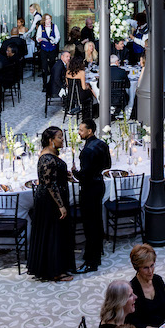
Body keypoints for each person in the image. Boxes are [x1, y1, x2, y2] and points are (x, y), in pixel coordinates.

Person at [27, 126, 74, 282]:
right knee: (53, 234)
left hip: (52, 198)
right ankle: (55, 272)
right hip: (50, 201)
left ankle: (54, 268)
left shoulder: (51, 154)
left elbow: (53, 177)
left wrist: (64, 175)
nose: (62, 140)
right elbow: (49, 184)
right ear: (50, 140)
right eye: (59, 137)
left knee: (55, 234)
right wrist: (61, 205)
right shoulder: (47, 158)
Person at [73, 116, 110, 273]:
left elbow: (84, 176)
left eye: (81, 130)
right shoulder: (102, 144)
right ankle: (96, 253)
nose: (79, 133)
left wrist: (74, 172)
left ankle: (91, 261)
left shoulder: (87, 151)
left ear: (90, 131)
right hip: (99, 185)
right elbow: (108, 165)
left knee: (90, 225)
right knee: (96, 220)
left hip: (89, 189)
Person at [128, 244, 165, 328]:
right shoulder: (132, 289)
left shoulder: (158, 280)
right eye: (145, 268)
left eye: (152, 265)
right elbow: (137, 326)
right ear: (137, 268)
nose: (150, 271)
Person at [36, 13, 60, 89]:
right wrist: (39, 39)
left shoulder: (54, 26)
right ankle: (44, 84)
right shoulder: (41, 27)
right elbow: (38, 36)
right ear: (44, 20)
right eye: (47, 19)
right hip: (44, 49)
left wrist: (55, 41)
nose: (49, 20)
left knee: (52, 66)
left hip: (52, 49)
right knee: (44, 67)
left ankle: (52, 83)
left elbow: (58, 36)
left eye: (49, 18)